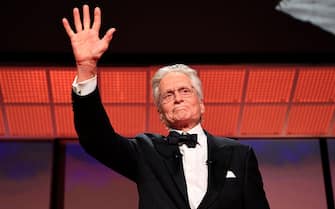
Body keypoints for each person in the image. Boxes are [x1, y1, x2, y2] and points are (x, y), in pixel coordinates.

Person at [63, 5, 270, 209]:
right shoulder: (146, 152)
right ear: (160, 113)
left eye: (185, 91)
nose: (177, 98)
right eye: (168, 95)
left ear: (202, 103)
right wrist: (86, 68)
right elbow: (97, 140)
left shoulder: (240, 155)